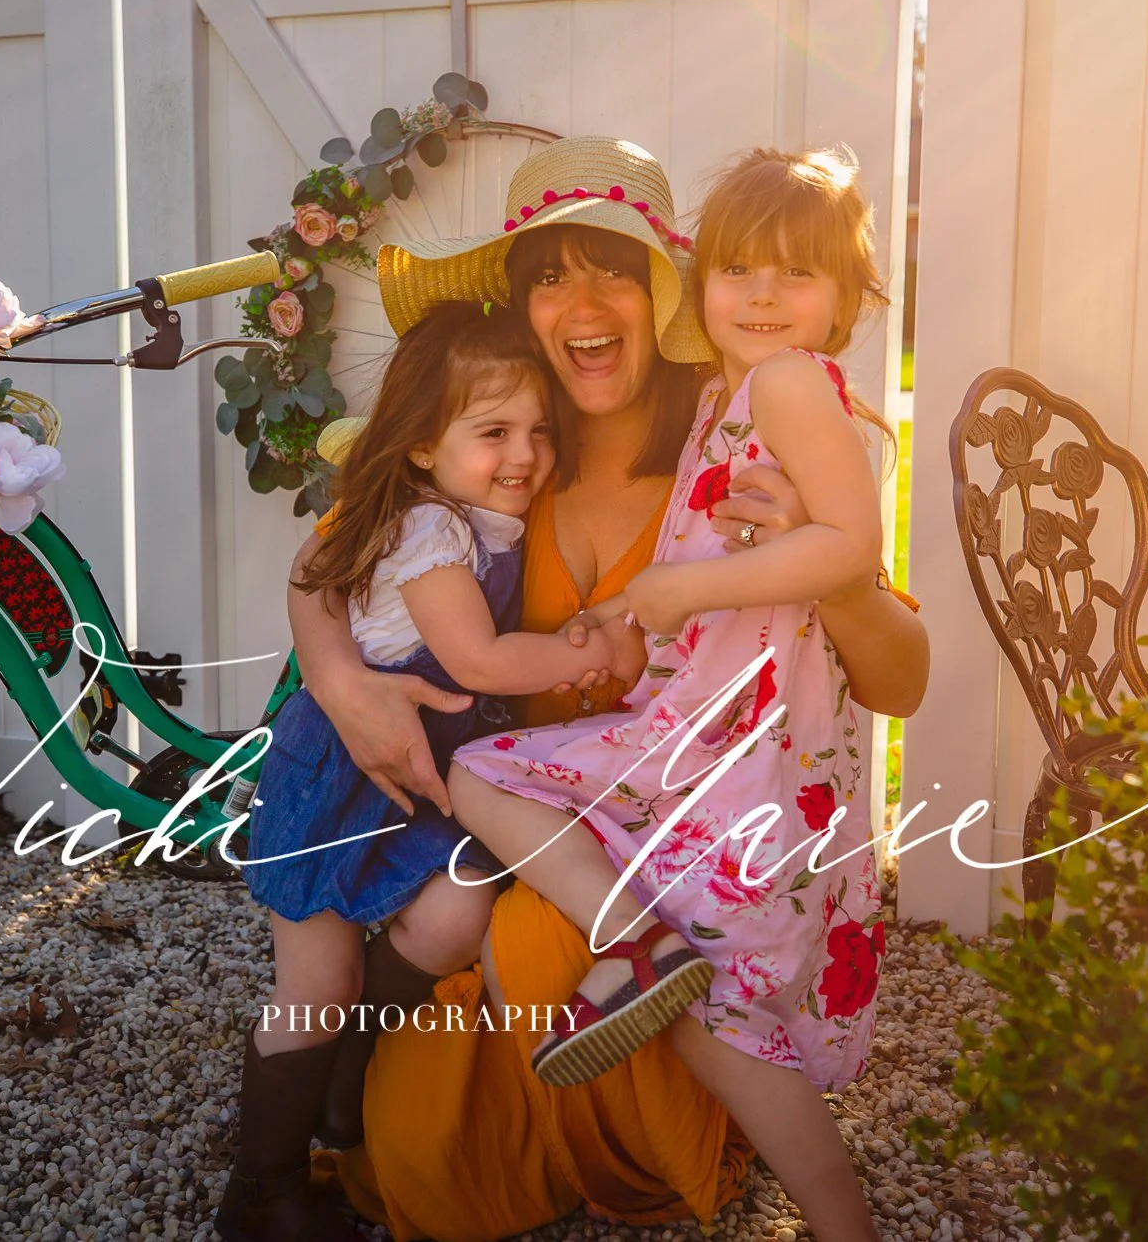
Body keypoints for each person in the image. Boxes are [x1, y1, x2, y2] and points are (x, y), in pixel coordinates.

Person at [289, 138, 926, 1242]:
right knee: (423, 1167)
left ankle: (671, 1116)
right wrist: (339, 676)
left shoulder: (749, 425)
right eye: (547, 274)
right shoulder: (494, 449)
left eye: (611, 270)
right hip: (537, 837)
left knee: (552, 945)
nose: (581, 302)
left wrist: (835, 575)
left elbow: (901, 681)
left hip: (685, 830)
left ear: (660, 291)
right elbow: (330, 554)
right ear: (520, 307)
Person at [446, 146, 893, 1233]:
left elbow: (848, 546)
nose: (761, 296)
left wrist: (678, 587)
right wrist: (627, 615)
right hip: (699, 726)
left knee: (481, 774)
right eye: (739, 270)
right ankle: (838, 1217)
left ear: (847, 299)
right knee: (716, 1001)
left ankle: (632, 948)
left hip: (741, 746)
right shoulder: (718, 407)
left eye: (795, 275)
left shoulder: (785, 386)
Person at [219, 301, 633, 1242]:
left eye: (538, 430)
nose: (524, 453)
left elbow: (319, 563)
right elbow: (481, 662)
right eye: (493, 432)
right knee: (314, 977)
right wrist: (586, 654)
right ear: (417, 446)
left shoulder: (474, 515)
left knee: (454, 909)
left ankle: (349, 1066)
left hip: (423, 783)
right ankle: (263, 1190)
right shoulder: (431, 532)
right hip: (336, 781)